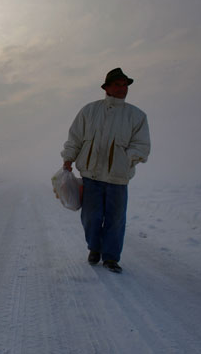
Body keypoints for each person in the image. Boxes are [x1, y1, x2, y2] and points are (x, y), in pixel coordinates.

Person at [61, 68, 150, 273]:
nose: (122, 88)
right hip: (91, 175)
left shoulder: (136, 116)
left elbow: (142, 146)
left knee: (115, 219)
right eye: (118, 84)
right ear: (107, 87)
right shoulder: (89, 111)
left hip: (118, 178)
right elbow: (75, 137)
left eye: (125, 85)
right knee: (91, 217)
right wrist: (68, 159)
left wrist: (126, 160)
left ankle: (111, 257)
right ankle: (94, 248)